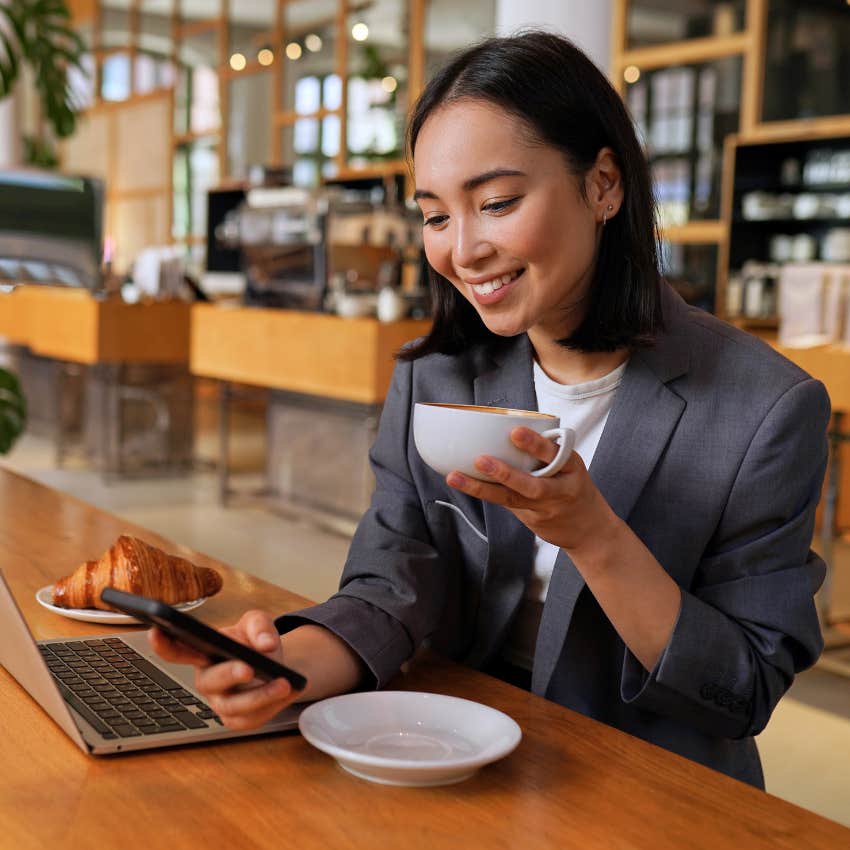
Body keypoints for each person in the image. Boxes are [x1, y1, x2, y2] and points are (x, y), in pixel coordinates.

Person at [151, 31, 830, 788]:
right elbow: (392, 582)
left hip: (647, 784)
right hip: (450, 755)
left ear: (604, 184)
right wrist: (286, 670)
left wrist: (594, 537)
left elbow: (742, 689)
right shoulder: (435, 375)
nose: (463, 250)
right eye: (437, 216)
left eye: (498, 203)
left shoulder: (765, 408)